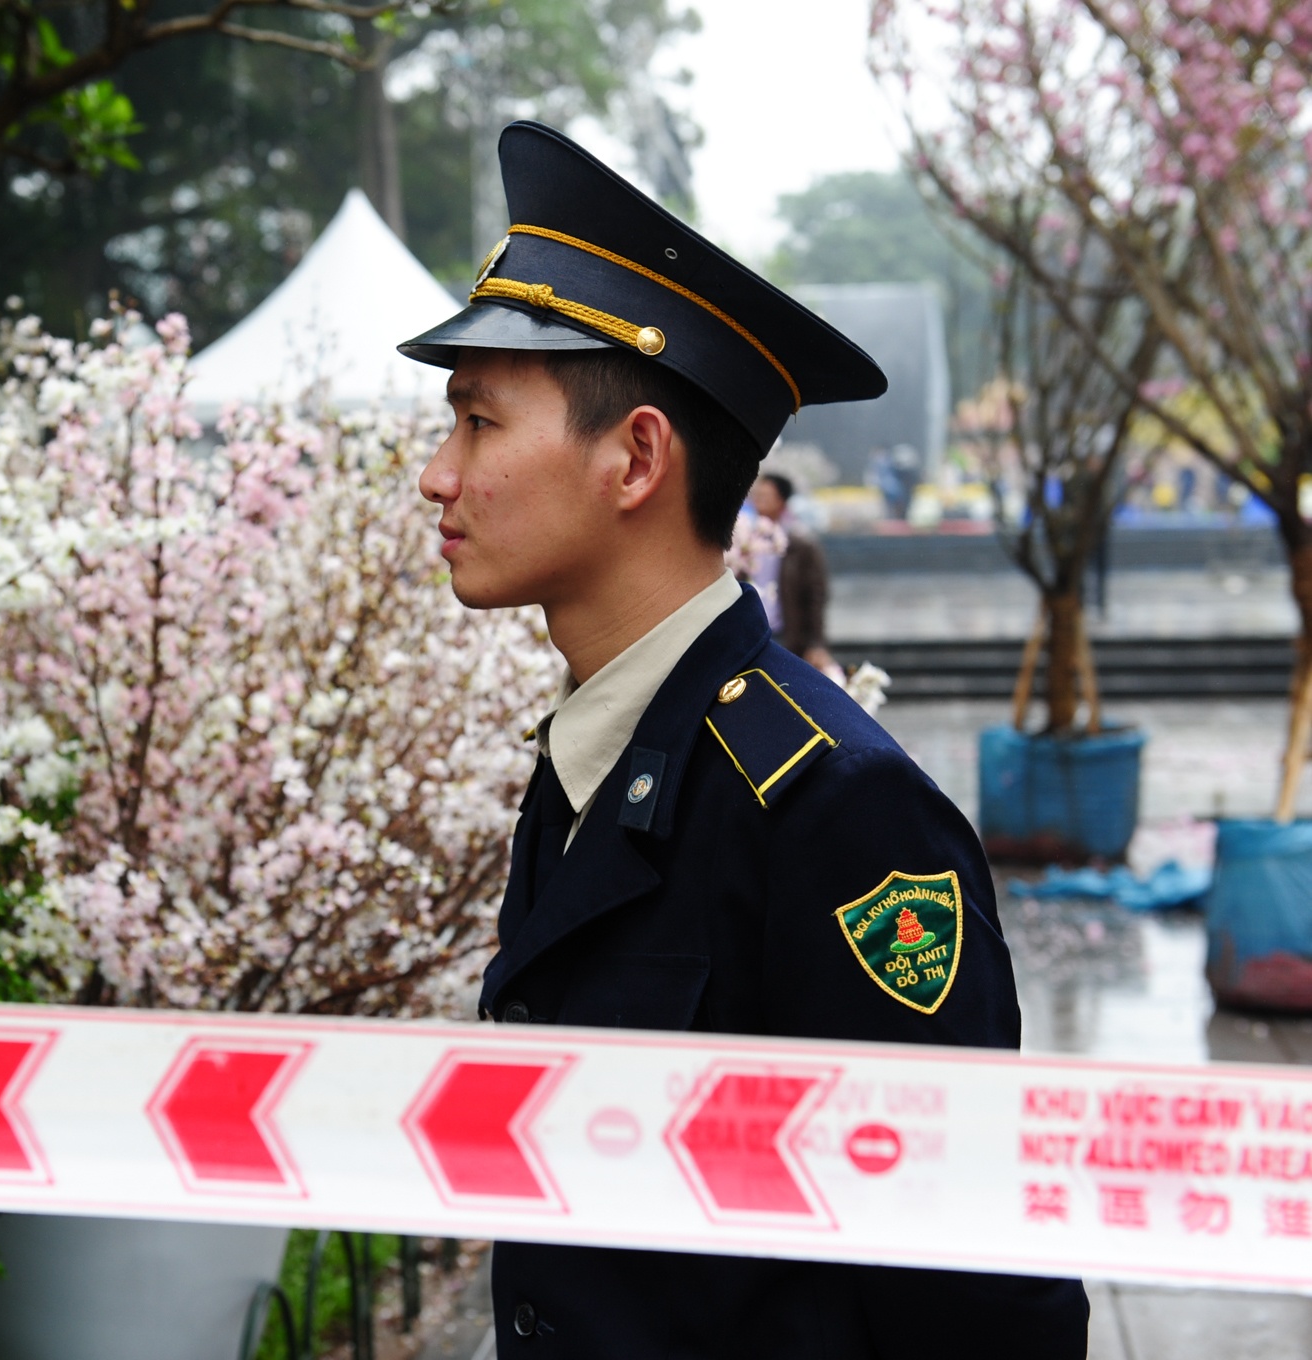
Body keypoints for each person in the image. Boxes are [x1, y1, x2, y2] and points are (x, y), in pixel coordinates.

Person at [400, 121, 1086, 1359]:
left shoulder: (837, 810)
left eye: (479, 423)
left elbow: (978, 1297)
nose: (437, 476)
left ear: (636, 458)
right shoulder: (596, 755)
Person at [748, 472, 837, 675]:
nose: (759, 501)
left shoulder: (800, 545)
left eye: (765, 496)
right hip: (751, 631)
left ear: (781, 501)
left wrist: (816, 643)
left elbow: (815, 595)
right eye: (757, 495)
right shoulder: (742, 540)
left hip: (784, 633)